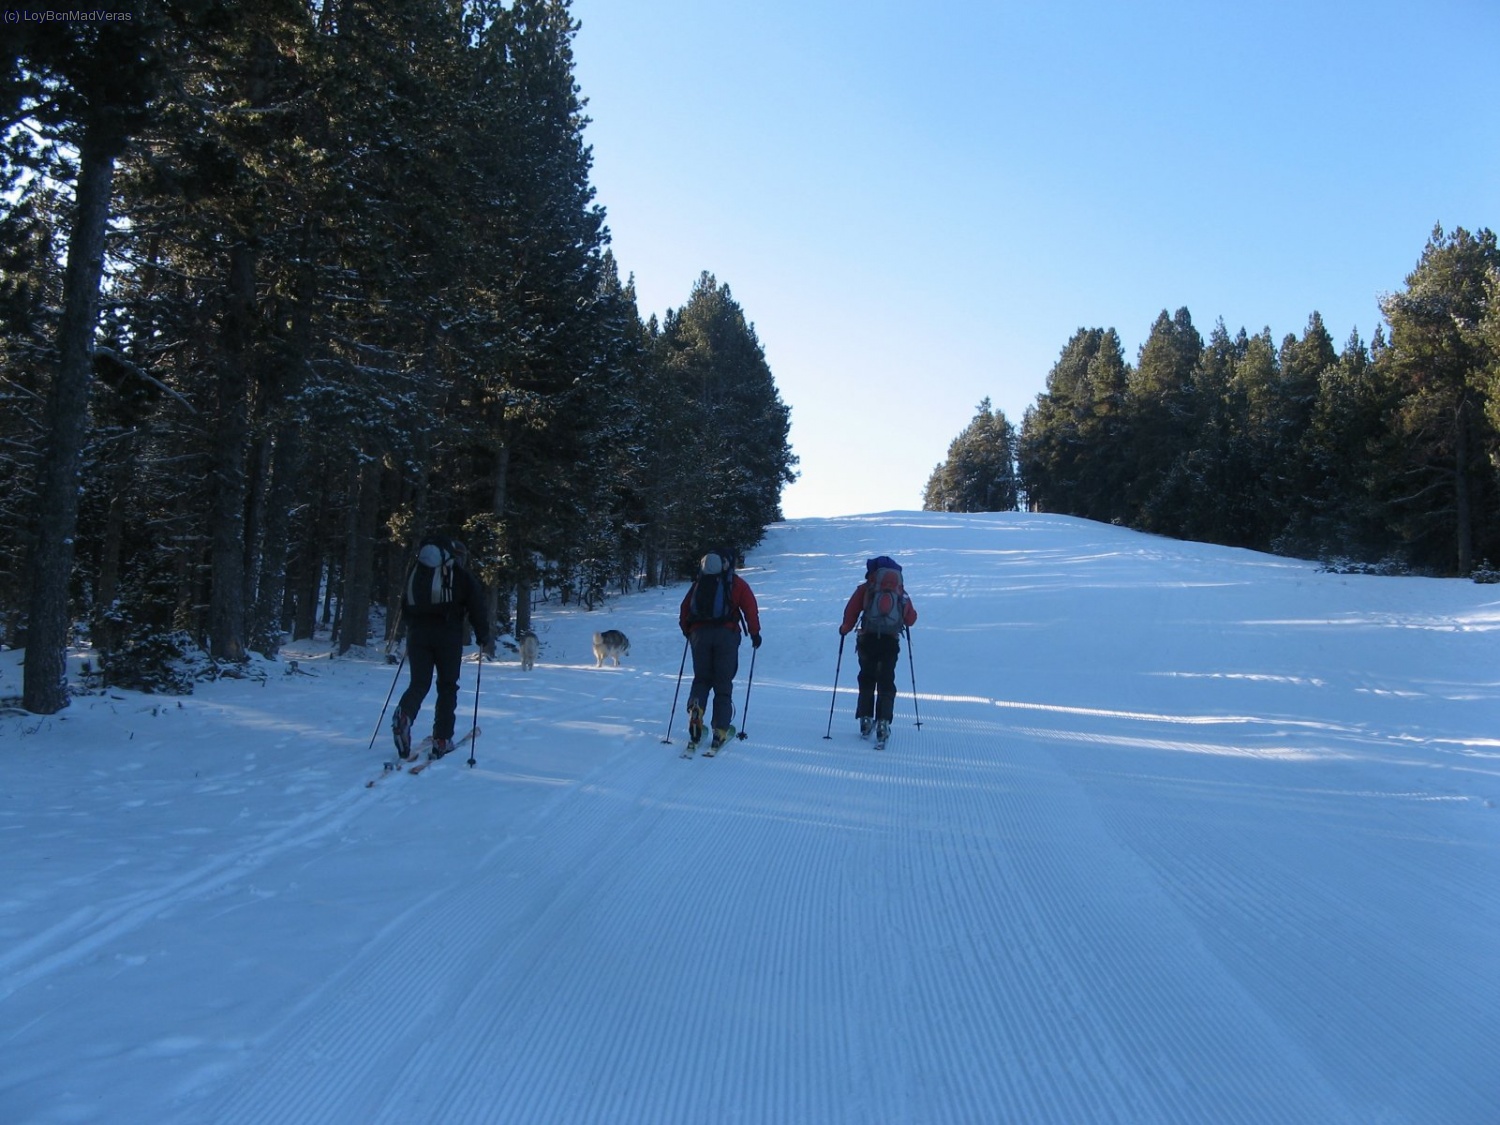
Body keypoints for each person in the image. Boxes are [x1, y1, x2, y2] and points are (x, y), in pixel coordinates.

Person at [392, 534, 494, 760]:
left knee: (419, 683)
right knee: (447, 686)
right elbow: (477, 604)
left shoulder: (418, 571)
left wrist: (413, 628)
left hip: (417, 633)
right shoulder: (460, 574)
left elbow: (405, 604)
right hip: (447, 634)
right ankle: (442, 738)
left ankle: (404, 716)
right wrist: (483, 635)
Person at [679, 550, 761, 750]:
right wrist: (755, 633)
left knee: (702, 679)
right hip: (726, 635)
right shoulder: (736, 583)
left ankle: (696, 709)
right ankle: (720, 730)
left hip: (699, 636)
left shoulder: (698, 584)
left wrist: (688, 631)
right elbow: (750, 608)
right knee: (723, 682)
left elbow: (684, 609)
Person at [838, 555, 918, 746]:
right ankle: (883, 722)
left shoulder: (866, 589)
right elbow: (911, 619)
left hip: (867, 639)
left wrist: (844, 629)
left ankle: (865, 719)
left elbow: (851, 613)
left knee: (866, 677)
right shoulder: (900, 591)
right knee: (886, 680)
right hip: (890, 642)